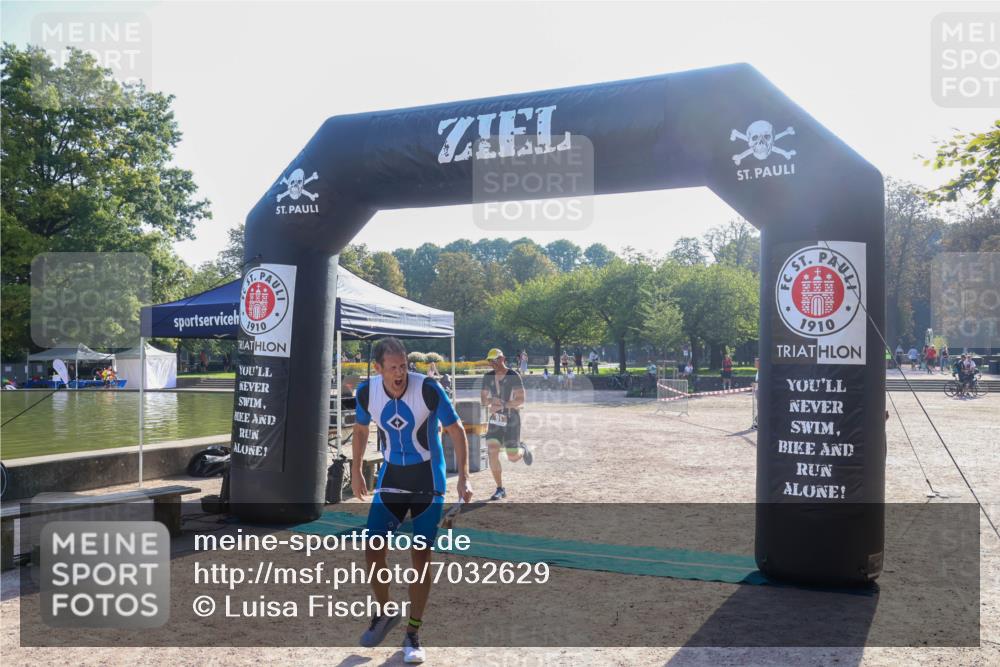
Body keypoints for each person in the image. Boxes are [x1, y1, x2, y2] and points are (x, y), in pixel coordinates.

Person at [351, 337, 473, 662]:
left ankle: (412, 634)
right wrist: (356, 469)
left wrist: (464, 476)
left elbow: (457, 428)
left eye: (403, 366)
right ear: (378, 369)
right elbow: (361, 430)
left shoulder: (428, 388)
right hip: (392, 478)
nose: (400, 373)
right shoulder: (367, 392)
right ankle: (385, 611)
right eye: (392, 367)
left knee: (420, 556)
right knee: (373, 547)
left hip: (427, 480)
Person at [481, 348, 532, 501]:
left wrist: (503, 404)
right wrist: (491, 402)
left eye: (495, 360)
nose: (492, 363)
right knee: (492, 450)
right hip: (495, 419)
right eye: (490, 361)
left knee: (513, 457)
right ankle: (499, 488)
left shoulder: (513, 375)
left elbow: (521, 399)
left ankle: (523, 449)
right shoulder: (487, 377)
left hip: (511, 419)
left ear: (502, 358)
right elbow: (483, 400)